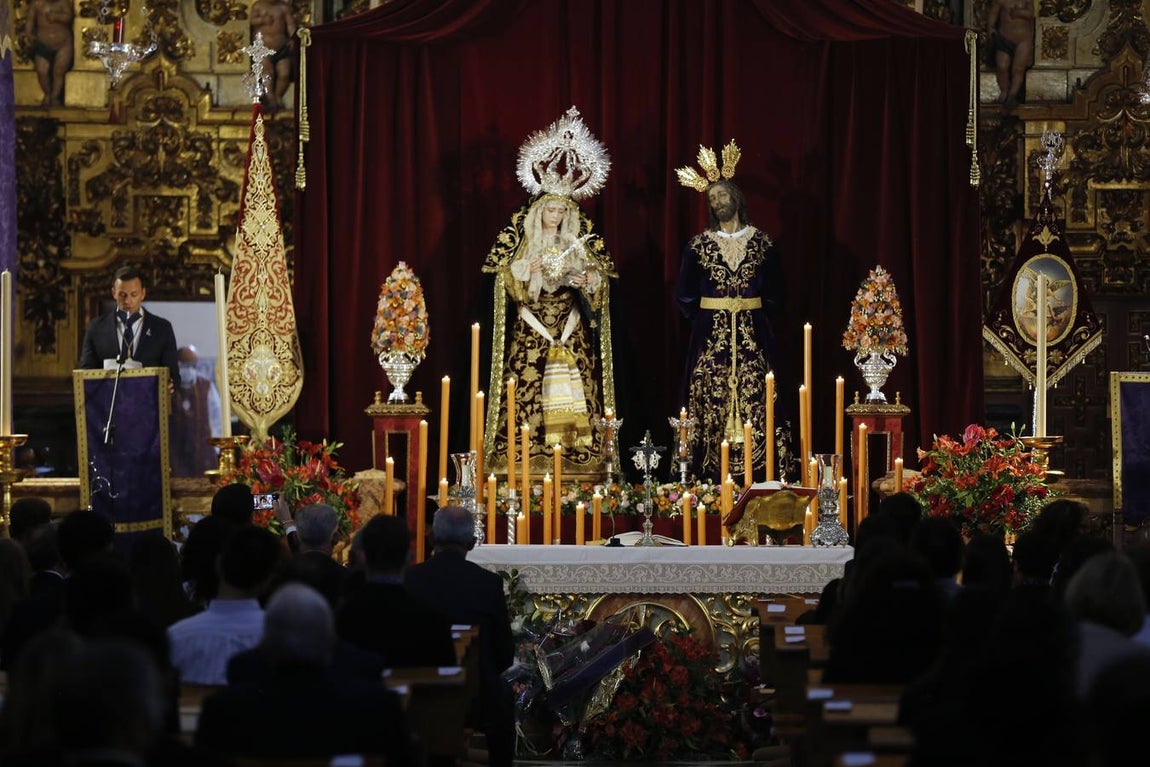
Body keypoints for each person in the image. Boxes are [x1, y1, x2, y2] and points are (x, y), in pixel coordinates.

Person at [482, 107, 616, 477]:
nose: (555, 216)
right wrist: (528, 272)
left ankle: (580, 465)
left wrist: (584, 279)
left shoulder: (577, 242)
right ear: (538, 210)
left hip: (569, 326)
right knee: (527, 389)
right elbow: (505, 283)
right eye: (550, 210)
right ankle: (524, 464)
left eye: (561, 210)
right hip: (533, 327)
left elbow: (600, 281)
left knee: (578, 391)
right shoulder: (524, 245)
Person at [675, 141, 784, 479]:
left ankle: (760, 471)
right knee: (708, 392)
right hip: (711, 337)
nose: (718, 201)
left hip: (753, 333)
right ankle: (708, 472)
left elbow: (776, 292)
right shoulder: (698, 245)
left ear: (736, 197)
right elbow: (685, 295)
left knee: (760, 393)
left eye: (722, 195)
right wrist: (708, 320)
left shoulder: (763, 243)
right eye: (712, 199)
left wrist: (756, 316)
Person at [405, 506, 516, 767]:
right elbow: (503, 653)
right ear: (472, 543)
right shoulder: (487, 584)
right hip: (475, 696)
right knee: (502, 694)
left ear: (431, 537)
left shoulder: (410, 579)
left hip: (419, 689)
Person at [79, 266, 180, 391]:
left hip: (148, 404)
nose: (128, 301)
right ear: (113, 293)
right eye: (122, 295)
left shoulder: (162, 328)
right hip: (108, 405)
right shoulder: (96, 328)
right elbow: (85, 373)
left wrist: (171, 384)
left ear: (143, 293)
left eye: (134, 294)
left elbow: (174, 376)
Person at [170, 345, 223, 476]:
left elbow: (217, 418)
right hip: (176, 453)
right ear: (177, 364)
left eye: (193, 365)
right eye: (185, 365)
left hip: (203, 452)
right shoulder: (168, 388)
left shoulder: (206, 386)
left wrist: (216, 448)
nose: (189, 369)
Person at [23, 0, 73, 107]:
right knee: (42, 70)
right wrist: (28, 33)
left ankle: (55, 96)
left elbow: (69, 16)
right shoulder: (37, 3)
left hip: (63, 43)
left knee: (59, 71)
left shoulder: (64, 2)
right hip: (43, 43)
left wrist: (57, 17)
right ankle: (48, 93)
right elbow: (30, 20)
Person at [249, 0, 296, 112]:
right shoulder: (258, 6)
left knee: (284, 73)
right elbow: (251, 21)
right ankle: (270, 98)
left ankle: (278, 95)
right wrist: (262, 20)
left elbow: (290, 24)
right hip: (264, 48)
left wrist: (293, 38)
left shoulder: (283, 7)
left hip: (282, 47)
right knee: (268, 73)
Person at [987, 0, 1034, 106]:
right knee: (1001, 66)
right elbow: (993, 13)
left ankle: (1013, 94)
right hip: (1004, 38)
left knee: (1018, 69)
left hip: (1023, 40)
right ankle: (1004, 89)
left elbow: (1031, 14)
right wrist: (990, 28)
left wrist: (1020, 13)